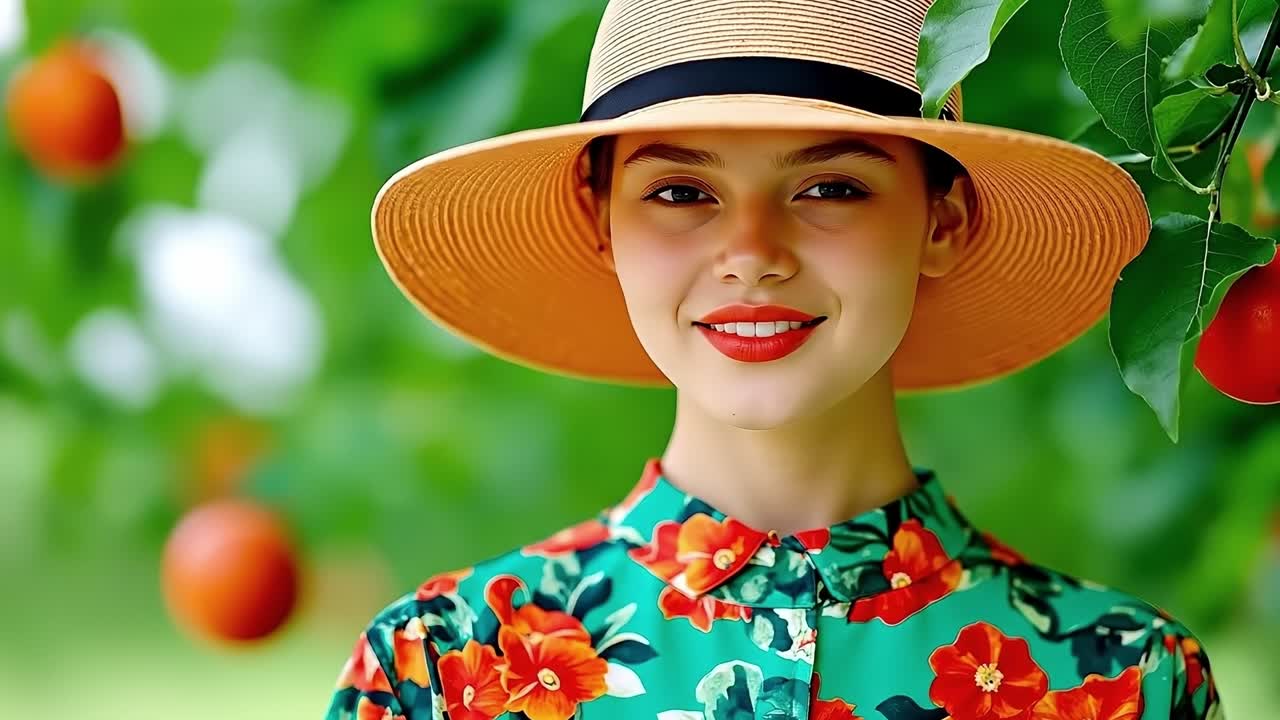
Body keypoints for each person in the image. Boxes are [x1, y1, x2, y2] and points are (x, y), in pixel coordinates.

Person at [325, 1, 1223, 718]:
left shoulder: (1124, 682)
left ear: (941, 220)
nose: (752, 252)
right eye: (681, 191)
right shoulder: (441, 671)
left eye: (830, 187)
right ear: (603, 221)